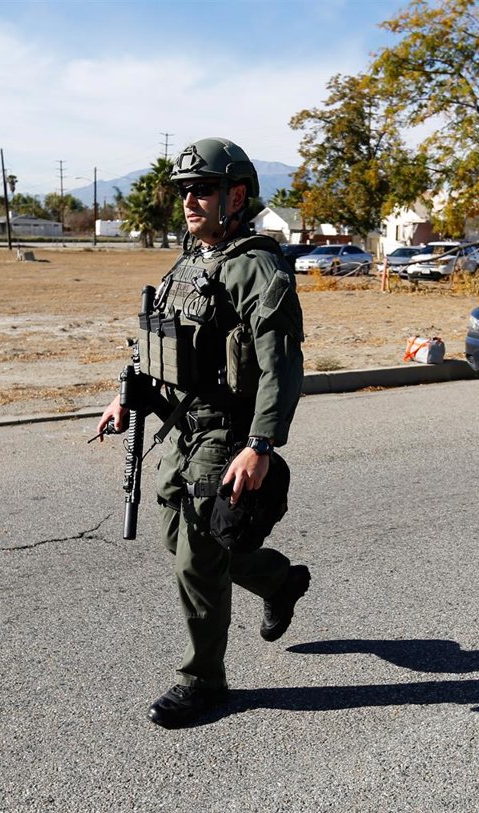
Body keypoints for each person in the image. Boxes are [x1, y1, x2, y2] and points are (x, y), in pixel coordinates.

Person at [96, 137, 309, 728]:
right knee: (183, 542)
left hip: (228, 434)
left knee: (196, 557)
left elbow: (281, 364)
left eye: (203, 190)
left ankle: (203, 681)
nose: (190, 201)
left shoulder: (256, 267)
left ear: (236, 196)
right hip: (182, 427)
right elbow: (156, 340)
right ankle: (280, 581)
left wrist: (260, 444)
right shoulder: (190, 261)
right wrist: (125, 393)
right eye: (185, 191)